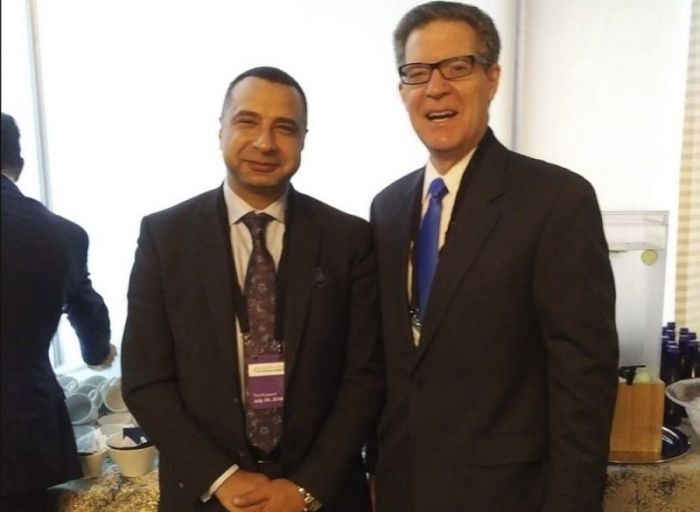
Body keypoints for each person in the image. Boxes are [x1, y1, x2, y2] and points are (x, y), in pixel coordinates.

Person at [369, 2, 619, 511]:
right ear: (402, 92)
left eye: (456, 67)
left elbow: (583, 378)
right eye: (417, 73)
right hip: (402, 490)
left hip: (510, 496)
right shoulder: (386, 208)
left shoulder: (555, 201)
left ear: (492, 77)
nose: (436, 87)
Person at [121, 66, 384, 512]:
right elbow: (147, 380)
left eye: (285, 128)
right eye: (248, 121)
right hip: (206, 495)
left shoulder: (348, 240)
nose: (265, 142)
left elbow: (365, 377)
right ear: (221, 129)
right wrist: (224, 479)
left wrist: (304, 488)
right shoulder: (166, 239)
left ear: (303, 140)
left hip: (323, 495)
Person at [1, 112, 115, 511]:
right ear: (19, 165)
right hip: (20, 435)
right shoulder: (60, 234)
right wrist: (98, 352)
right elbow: (90, 321)